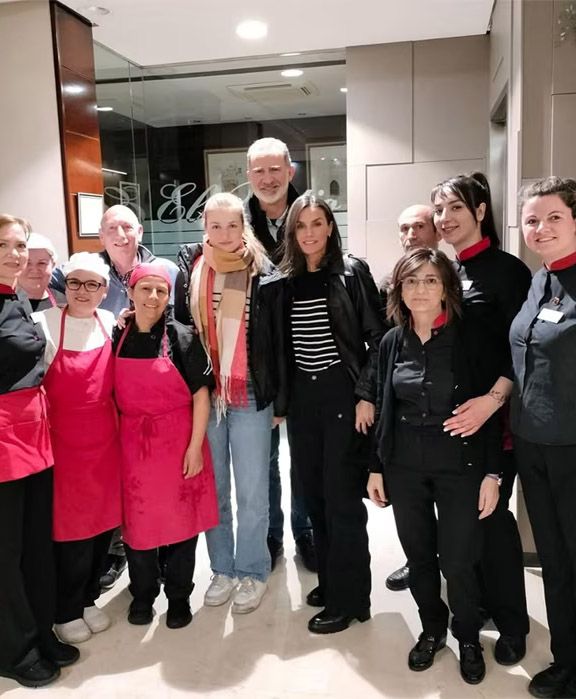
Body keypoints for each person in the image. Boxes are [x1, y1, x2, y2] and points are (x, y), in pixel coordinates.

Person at [368, 247, 503, 685]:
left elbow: (492, 411)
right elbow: (383, 406)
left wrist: (492, 473)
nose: (420, 289)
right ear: (399, 289)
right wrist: (376, 467)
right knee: (419, 555)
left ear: (446, 286)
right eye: (411, 281)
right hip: (404, 466)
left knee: (459, 560)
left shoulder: (468, 336)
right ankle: (432, 627)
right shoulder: (392, 341)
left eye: (429, 280)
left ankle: (466, 635)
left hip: (459, 465)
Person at [431, 173, 531, 665]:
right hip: (455, 423)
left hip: (496, 418)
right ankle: (484, 604)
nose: (445, 218)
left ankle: (514, 624)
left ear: (479, 210)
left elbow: (522, 348)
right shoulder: (448, 271)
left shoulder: (508, 272)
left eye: (454, 208)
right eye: (439, 210)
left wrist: (494, 400)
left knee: (493, 522)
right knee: (464, 523)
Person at [52, 205, 178, 590]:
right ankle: (114, 559)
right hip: (94, 418)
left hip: (148, 404)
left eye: (127, 226)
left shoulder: (169, 271)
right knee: (100, 499)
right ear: (100, 234)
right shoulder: (73, 287)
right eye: (111, 228)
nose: (120, 234)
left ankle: (154, 556)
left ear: (140, 230)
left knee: (146, 489)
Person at [175, 192, 287, 614]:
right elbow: (182, 332)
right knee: (215, 489)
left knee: (253, 492)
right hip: (208, 396)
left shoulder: (264, 272)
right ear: (205, 227)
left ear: (245, 227)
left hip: (251, 392)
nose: (224, 235)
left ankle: (253, 571)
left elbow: (278, 343)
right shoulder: (192, 269)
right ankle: (222, 568)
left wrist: (281, 401)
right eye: (216, 226)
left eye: (232, 225)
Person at [280, 192, 384, 634]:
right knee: (314, 497)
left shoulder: (352, 272)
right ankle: (332, 580)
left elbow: (379, 339)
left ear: (330, 227)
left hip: (344, 396)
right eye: (300, 225)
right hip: (304, 401)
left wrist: (366, 394)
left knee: (342, 500)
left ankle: (352, 599)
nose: (309, 233)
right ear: (292, 232)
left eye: (317, 223)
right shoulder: (283, 278)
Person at [113, 262, 218, 629]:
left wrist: (194, 447)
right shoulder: (117, 334)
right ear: (131, 292)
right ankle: (143, 595)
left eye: (161, 291)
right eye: (146, 289)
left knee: (181, 527)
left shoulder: (182, 336)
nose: (153, 297)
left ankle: (178, 597)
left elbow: (201, 397)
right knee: (137, 527)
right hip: (132, 447)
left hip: (177, 443)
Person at [0, 214, 78, 689]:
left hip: (33, 435)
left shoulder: (19, 298)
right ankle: (13, 647)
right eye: (5, 244)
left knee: (34, 545)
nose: (15, 253)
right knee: (5, 552)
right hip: (3, 440)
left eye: (19, 244)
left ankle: (38, 630)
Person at [32, 252, 121, 645]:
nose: (82, 292)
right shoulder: (45, 324)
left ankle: (87, 599)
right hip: (64, 445)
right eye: (75, 283)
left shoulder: (110, 324)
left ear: (104, 291)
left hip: (106, 442)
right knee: (71, 534)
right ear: (64, 285)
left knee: (103, 526)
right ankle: (65, 609)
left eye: (92, 285)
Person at [510, 176, 576, 699]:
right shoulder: (540, 279)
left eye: (554, 216)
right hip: (534, 444)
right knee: (554, 559)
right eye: (532, 219)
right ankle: (568, 660)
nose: (541, 228)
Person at [245, 137, 315, 572]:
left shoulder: (309, 216)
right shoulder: (240, 223)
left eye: (276, 169)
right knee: (263, 456)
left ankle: (304, 532)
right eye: (259, 171)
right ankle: (270, 535)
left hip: (306, 354)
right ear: (249, 176)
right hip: (257, 362)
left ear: (290, 171)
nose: (268, 179)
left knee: (304, 455)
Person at [383, 204, 441, 593]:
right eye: (404, 228)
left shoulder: (447, 278)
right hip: (406, 421)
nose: (410, 234)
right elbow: (381, 346)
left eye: (419, 226)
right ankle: (418, 561)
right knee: (414, 514)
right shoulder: (391, 283)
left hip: (450, 426)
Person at [17, 232, 65, 311]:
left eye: (42, 263)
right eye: (27, 263)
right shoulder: (4, 305)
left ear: (53, 265)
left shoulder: (64, 302)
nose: (35, 270)